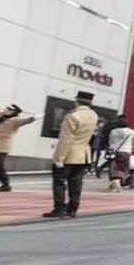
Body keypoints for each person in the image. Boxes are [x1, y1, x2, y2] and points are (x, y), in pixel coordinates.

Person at [42, 91, 99, 219]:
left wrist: (60, 158)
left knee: (59, 182)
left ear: (76, 101)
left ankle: (59, 208)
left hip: (69, 154)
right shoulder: (93, 115)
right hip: (83, 154)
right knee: (76, 182)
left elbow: (66, 139)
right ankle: (73, 208)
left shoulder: (72, 116)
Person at [107, 114, 134, 191]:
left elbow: (110, 142)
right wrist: (133, 148)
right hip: (125, 152)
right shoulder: (131, 132)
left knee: (114, 167)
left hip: (113, 152)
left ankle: (114, 181)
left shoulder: (113, 131)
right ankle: (118, 181)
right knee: (123, 168)